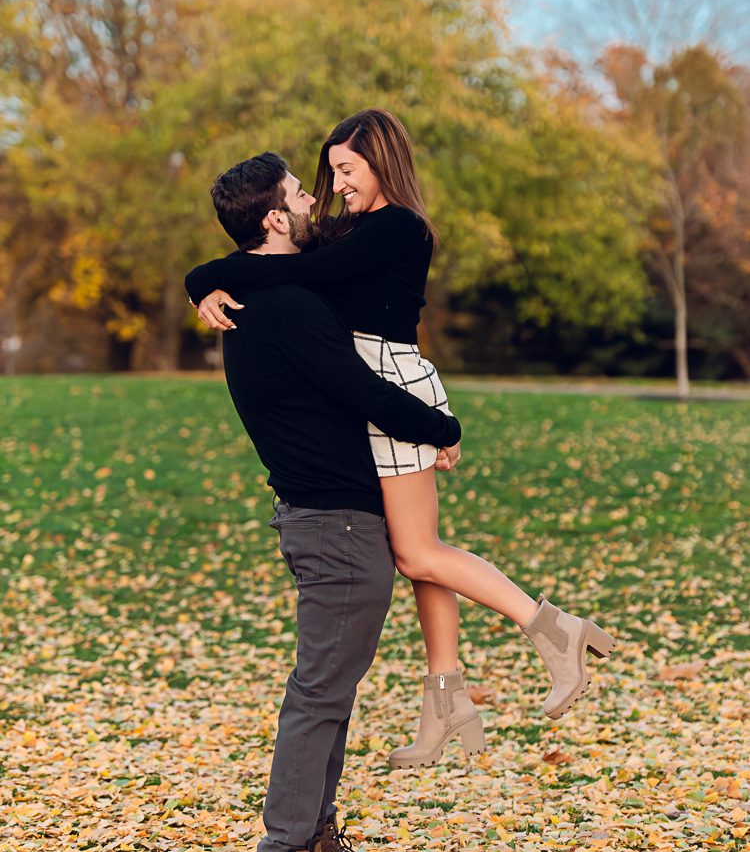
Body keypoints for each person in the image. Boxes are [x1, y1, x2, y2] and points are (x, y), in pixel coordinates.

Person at [185, 109, 616, 775]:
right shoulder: (348, 228)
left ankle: (556, 632)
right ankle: (445, 695)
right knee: (420, 554)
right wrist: (200, 283)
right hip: (370, 380)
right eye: (330, 173)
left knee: (419, 551)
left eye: (348, 170)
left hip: (390, 381)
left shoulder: (398, 229)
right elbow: (272, 255)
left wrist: (206, 281)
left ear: (382, 161)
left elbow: (298, 277)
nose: (337, 184)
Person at [197, 151, 464, 852]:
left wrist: (200, 281)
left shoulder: (267, 295)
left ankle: (314, 842)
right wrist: (442, 426)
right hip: (336, 525)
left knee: (329, 694)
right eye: (298, 192)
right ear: (276, 218)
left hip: (328, 518)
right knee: (318, 697)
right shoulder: (284, 309)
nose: (316, 197)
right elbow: (364, 392)